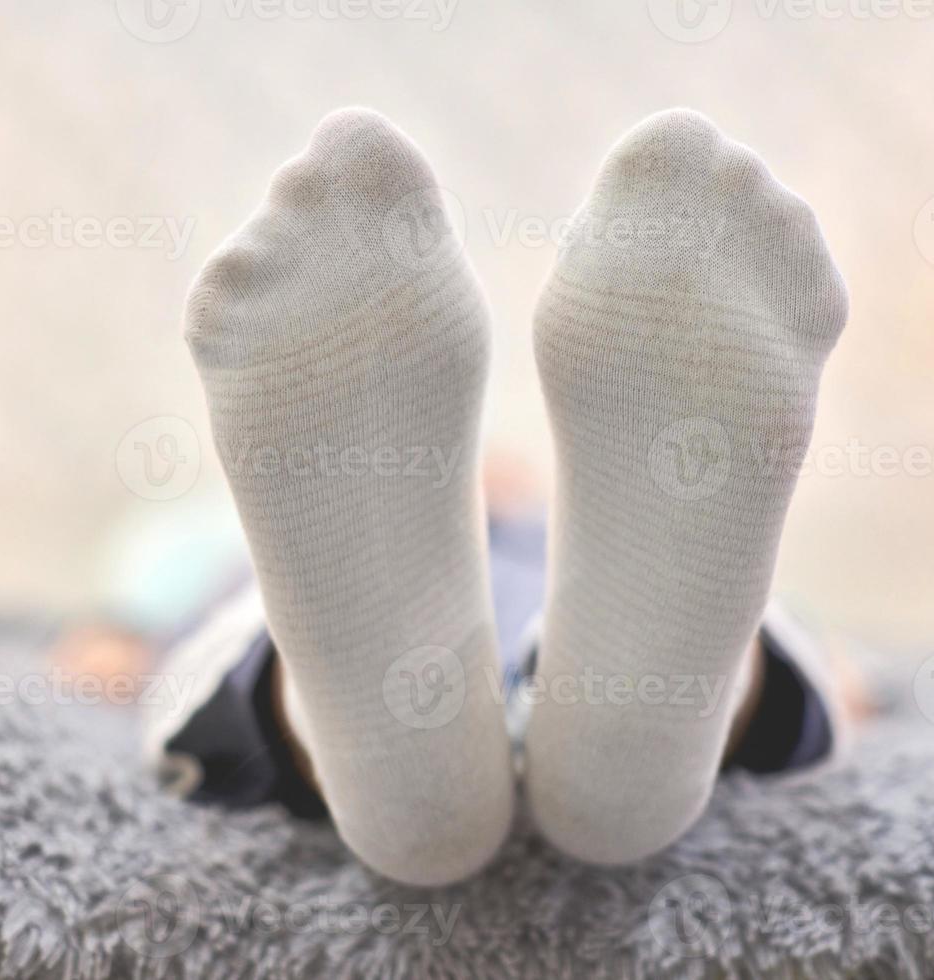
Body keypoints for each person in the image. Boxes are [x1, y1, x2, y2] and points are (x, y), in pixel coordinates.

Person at [144, 107, 851, 887]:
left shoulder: (558, 525)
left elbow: (112, 643)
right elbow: (113, 635)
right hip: (414, 623)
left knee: (711, 620)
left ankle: (408, 775)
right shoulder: (203, 538)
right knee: (749, 640)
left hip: (568, 618)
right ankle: (625, 750)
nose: (490, 468)